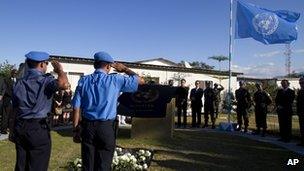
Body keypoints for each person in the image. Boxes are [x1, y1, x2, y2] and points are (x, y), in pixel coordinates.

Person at [72, 51, 145, 171]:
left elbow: (76, 107)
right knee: (104, 165)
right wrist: (125, 69)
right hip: (106, 127)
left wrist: (75, 129)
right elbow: (141, 81)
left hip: (87, 126)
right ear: (108, 66)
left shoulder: (83, 81)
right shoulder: (115, 80)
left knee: (88, 164)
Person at [10, 51, 68, 171]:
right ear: (42, 64)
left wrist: (12, 130)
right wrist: (60, 70)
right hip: (38, 127)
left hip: (20, 126)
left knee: (21, 165)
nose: (46, 66)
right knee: (38, 165)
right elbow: (63, 84)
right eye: (46, 63)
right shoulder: (45, 81)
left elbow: (14, 110)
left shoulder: (19, 83)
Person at [1, 69, 17, 134]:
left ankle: (9, 128)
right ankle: (3, 129)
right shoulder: (7, 80)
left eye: (16, 73)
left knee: (12, 115)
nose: (15, 74)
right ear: (11, 73)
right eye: (14, 73)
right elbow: (6, 90)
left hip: (15, 101)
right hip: (8, 100)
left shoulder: (17, 80)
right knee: (5, 115)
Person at [297, 77, 304, 146]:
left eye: (302, 83)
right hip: (301, 112)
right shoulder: (300, 91)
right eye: (300, 83)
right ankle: (302, 141)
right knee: (302, 128)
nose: (301, 84)